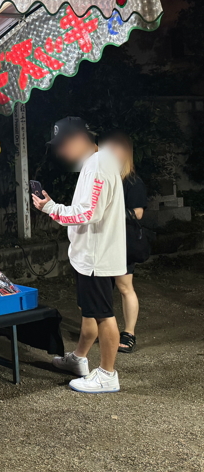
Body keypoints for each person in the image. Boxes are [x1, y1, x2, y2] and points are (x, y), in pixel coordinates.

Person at [32, 117, 126, 393]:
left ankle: (108, 374)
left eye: (63, 145)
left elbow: (88, 212)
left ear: (79, 139)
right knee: (90, 311)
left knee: (103, 315)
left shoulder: (97, 165)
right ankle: (79, 359)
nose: (61, 152)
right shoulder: (99, 161)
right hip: (91, 253)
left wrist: (50, 208)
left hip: (96, 256)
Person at [102, 131, 148, 354]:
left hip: (122, 242)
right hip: (101, 241)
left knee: (124, 287)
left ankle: (129, 333)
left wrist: (110, 213)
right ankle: (103, 329)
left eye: (116, 148)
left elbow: (138, 213)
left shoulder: (132, 181)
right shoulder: (102, 178)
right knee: (100, 289)